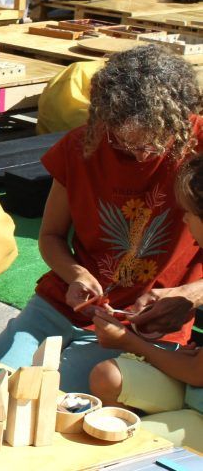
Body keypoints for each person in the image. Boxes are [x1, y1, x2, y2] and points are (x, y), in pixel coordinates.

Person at [0, 45, 203, 393]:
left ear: (180, 119)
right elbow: (51, 236)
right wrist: (76, 274)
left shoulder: (199, 145)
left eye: (150, 146)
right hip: (63, 306)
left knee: (48, 401)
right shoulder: (81, 146)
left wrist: (191, 294)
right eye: (122, 140)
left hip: (145, 325)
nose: (136, 153)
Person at [88, 152, 203, 452]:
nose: (184, 218)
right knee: (107, 377)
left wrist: (128, 341)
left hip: (197, 397)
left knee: (112, 445)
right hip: (195, 391)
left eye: (190, 211)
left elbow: (196, 373)